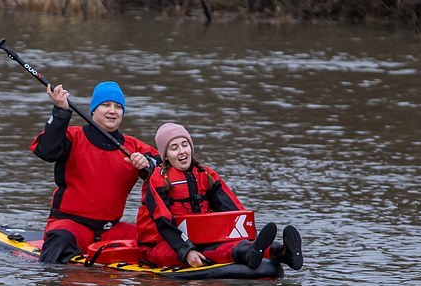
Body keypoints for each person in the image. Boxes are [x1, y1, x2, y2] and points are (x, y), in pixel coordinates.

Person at [136, 122, 304, 271]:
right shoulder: (157, 181)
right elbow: (163, 221)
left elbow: (231, 208)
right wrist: (186, 250)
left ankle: (281, 252)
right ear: (165, 155)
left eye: (185, 145)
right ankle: (247, 254)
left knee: (232, 244)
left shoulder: (205, 174)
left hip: (201, 236)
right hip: (161, 244)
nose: (182, 151)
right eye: (174, 148)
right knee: (210, 252)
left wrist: (247, 235)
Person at [31, 80, 159, 263]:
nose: (112, 111)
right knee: (61, 239)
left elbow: (165, 167)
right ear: (93, 111)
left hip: (111, 230)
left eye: (118, 107)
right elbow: (46, 151)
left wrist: (148, 164)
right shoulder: (72, 136)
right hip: (70, 226)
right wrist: (61, 112)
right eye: (106, 105)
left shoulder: (134, 148)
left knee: (155, 240)